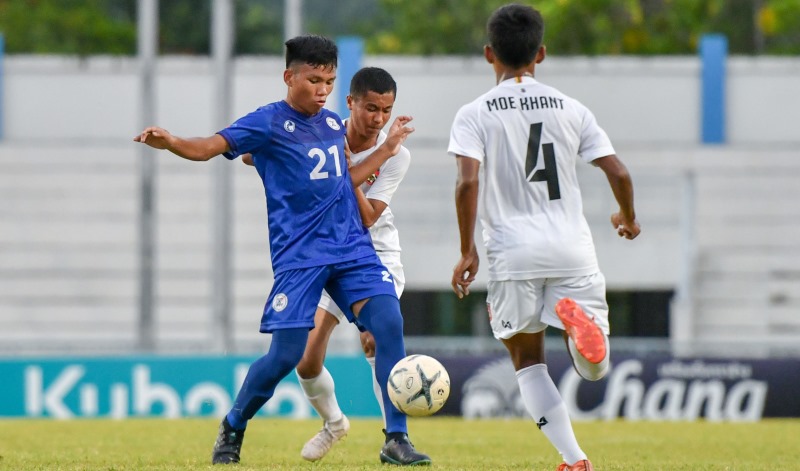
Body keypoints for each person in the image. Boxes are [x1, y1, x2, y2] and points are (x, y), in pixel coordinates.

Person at [133, 34, 430, 467]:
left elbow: (342, 179)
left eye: (329, 82)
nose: (322, 91)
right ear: (289, 77)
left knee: (388, 324)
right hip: (301, 257)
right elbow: (210, 146)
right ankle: (234, 424)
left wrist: (385, 150)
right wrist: (173, 141)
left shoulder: (333, 127)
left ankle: (396, 439)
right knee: (287, 356)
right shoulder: (267, 122)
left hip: (352, 249)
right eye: (314, 81)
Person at [448, 5, 640, 471]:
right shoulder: (571, 108)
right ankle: (581, 332)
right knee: (594, 368)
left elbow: (468, 183)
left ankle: (575, 459)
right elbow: (618, 171)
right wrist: (628, 217)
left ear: (489, 54)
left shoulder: (474, 113)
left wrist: (467, 249)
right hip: (572, 248)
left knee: (528, 362)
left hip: (513, 253)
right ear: (541, 54)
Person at [291, 66, 411, 462]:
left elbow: (368, 216)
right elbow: (263, 156)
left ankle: (396, 437)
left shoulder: (396, 154)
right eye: (371, 108)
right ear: (351, 103)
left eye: (386, 110)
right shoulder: (324, 133)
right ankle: (334, 423)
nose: (379, 119)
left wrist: (351, 169)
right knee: (307, 359)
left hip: (376, 253)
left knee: (377, 336)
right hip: (330, 254)